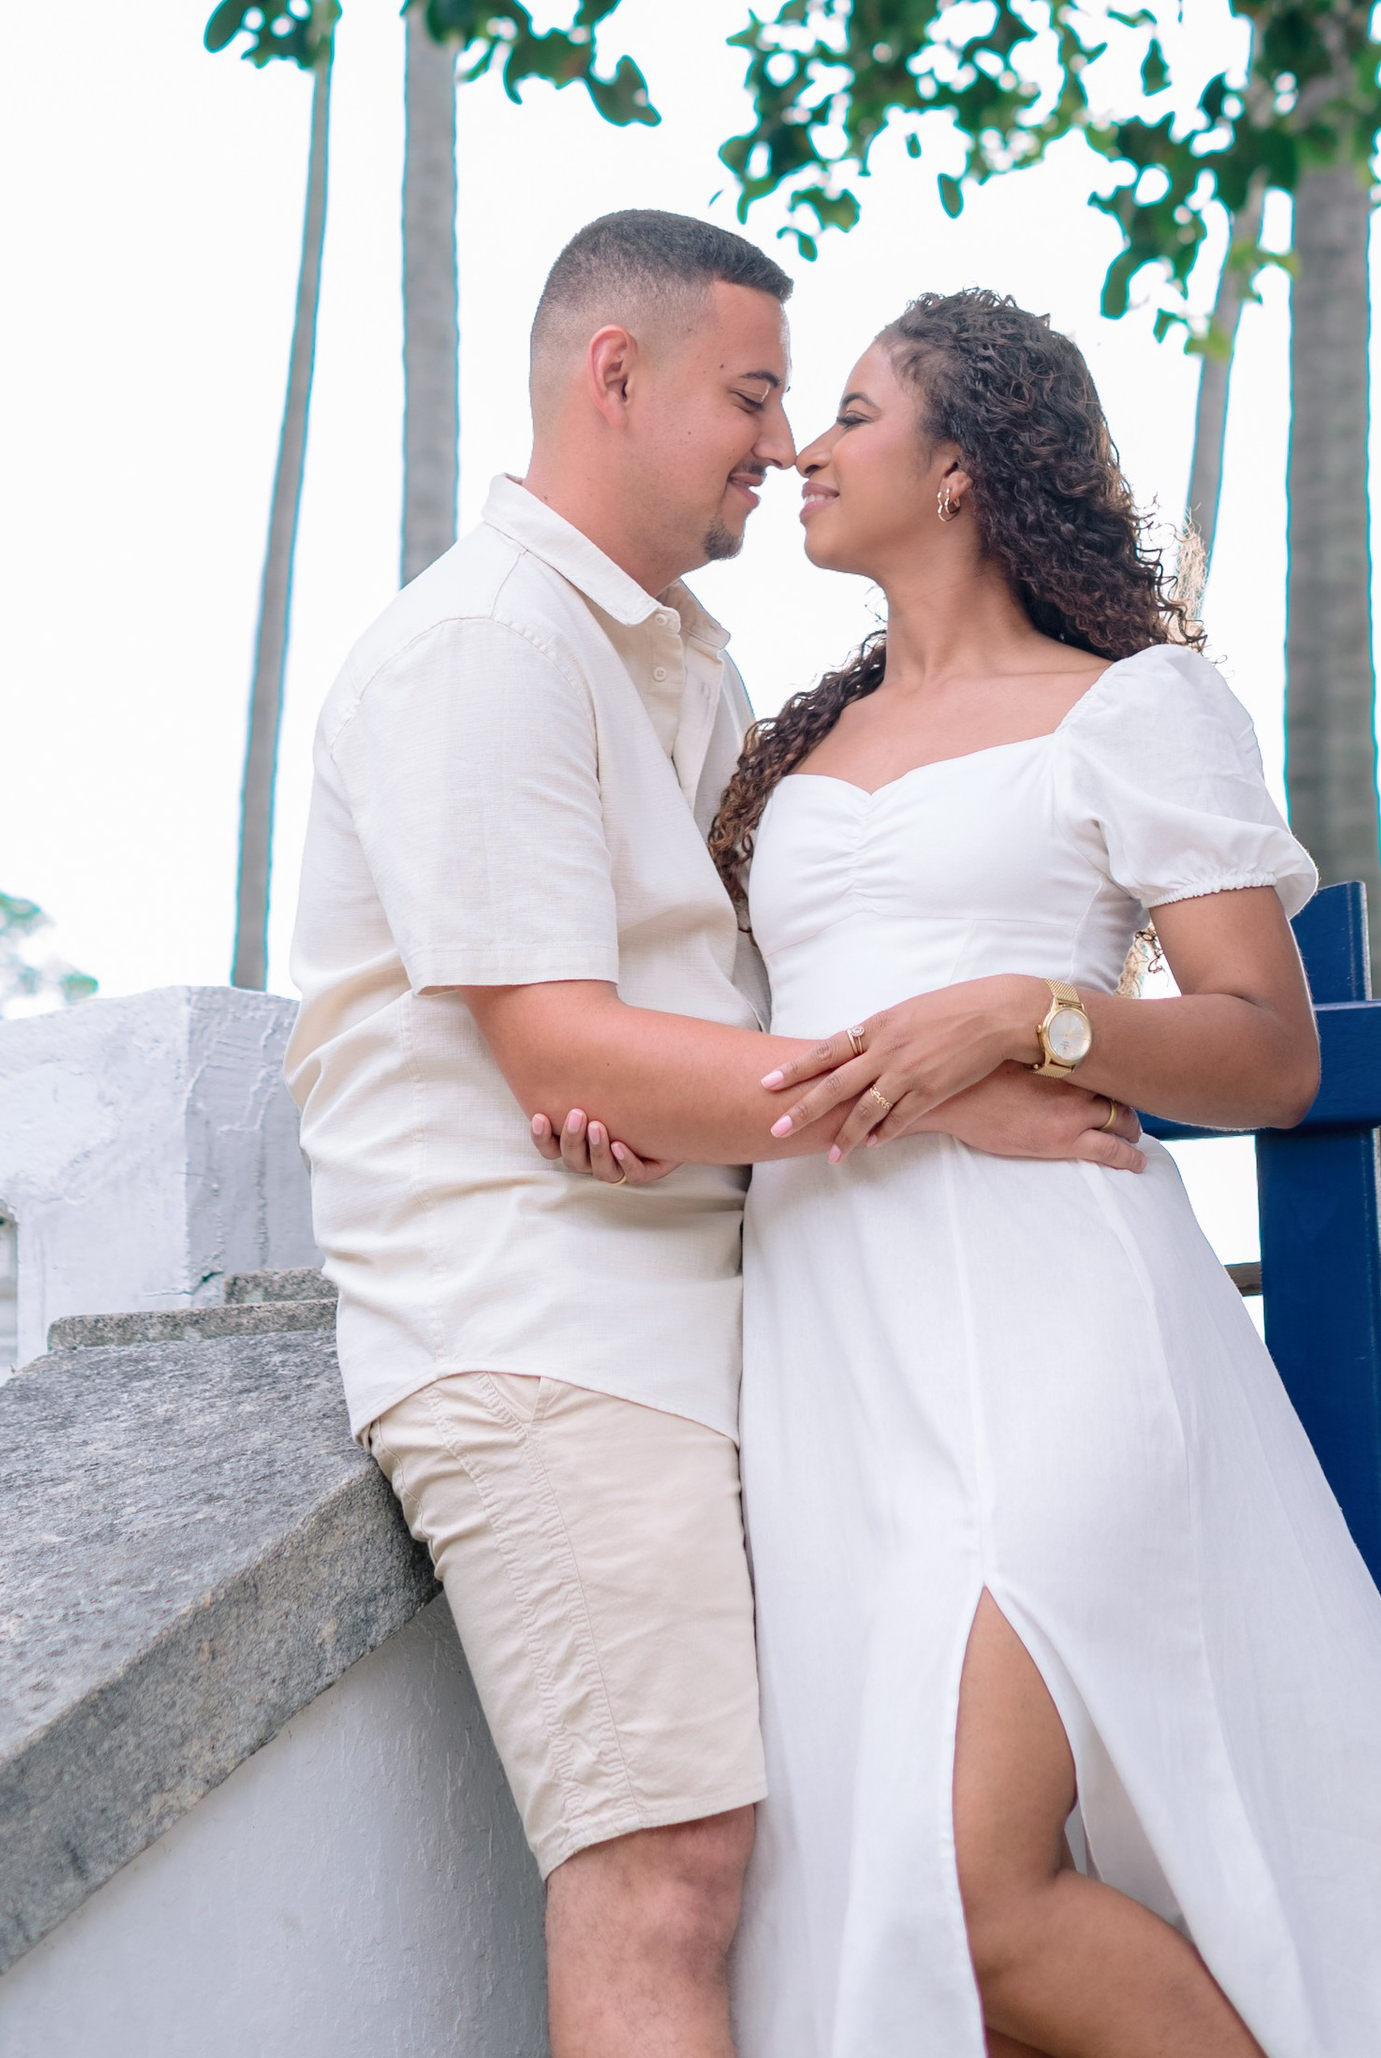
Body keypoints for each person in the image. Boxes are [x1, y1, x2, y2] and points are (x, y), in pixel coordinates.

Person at [283, 214, 1141, 2058]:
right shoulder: (484, 648)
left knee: (827, 1875)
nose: (778, 440)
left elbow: (675, 1045)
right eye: (754, 393)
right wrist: (941, 1088)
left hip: (723, 1324)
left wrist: (696, 1112)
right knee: (662, 1874)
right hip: (549, 1334)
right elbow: (560, 1045)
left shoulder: (691, 670)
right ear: (616, 374)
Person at [707, 287, 1381, 2058]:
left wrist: (1037, 1019)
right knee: (900, 1910)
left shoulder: (1133, 709)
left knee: (971, 1882)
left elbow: (1271, 1047)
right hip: (829, 1349)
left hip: (1057, 1321)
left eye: (856, 413)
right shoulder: (785, 754)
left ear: (959, 469)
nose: (807, 444)